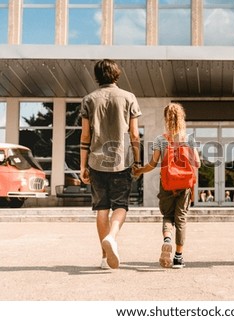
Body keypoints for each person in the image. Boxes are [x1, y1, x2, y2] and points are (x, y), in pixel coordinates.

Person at [80, 59, 141, 270]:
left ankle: (105, 258)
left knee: (101, 209)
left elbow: (85, 135)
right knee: (121, 206)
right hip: (121, 161)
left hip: (96, 162)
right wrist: (137, 159)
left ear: (97, 76)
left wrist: (82, 166)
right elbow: (134, 134)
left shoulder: (89, 99)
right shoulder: (129, 98)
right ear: (117, 74)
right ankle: (112, 237)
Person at [133, 103, 200, 269]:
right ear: (182, 118)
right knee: (181, 220)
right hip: (185, 185)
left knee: (168, 217)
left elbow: (152, 164)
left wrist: (140, 170)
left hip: (167, 184)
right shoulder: (189, 139)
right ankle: (178, 257)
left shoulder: (160, 140)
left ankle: (167, 239)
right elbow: (197, 163)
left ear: (165, 119)